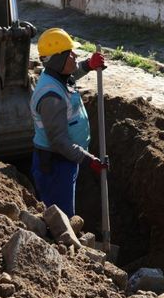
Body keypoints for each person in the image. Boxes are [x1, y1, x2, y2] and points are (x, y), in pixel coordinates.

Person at [30, 28, 108, 216]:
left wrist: (88, 65)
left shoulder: (56, 76)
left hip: (65, 160)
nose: (75, 55)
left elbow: (70, 77)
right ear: (58, 59)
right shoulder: (51, 97)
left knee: (64, 214)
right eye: (70, 53)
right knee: (60, 218)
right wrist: (89, 160)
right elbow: (59, 141)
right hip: (55, 165)